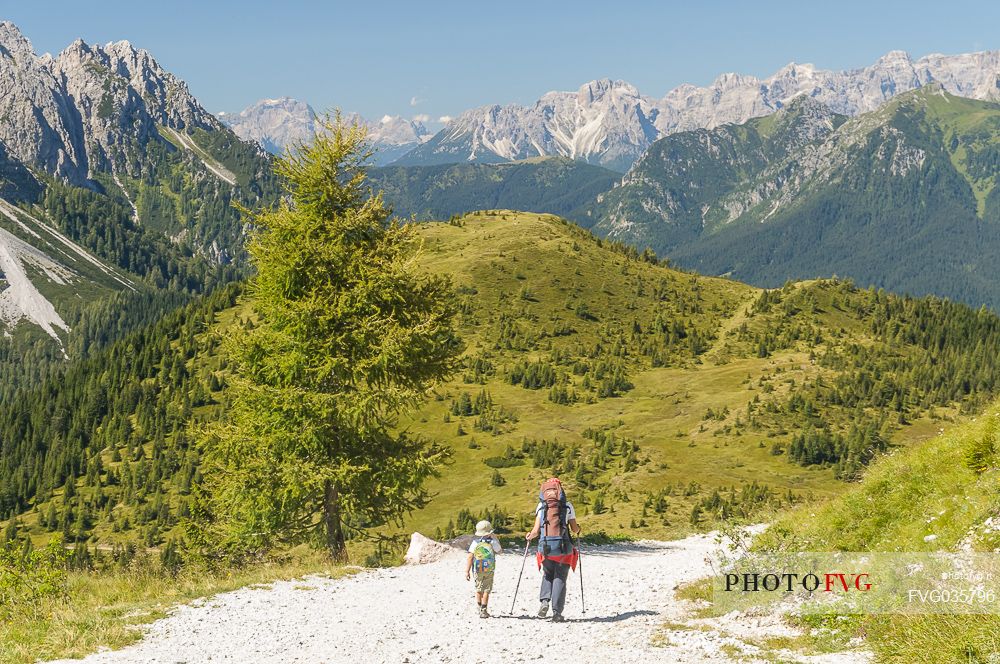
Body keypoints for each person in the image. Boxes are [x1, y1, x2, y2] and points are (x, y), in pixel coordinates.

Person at [525, 477, 581, 622]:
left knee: (547, 574)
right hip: (563, 548)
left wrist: (529, 536)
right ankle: (557, 612)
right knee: (560, 577)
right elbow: (574, 529)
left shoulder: (541, 506)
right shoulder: (567, 506)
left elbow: (536, 531)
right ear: (560, 490)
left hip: (546, 548)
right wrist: (579, 529)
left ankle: (544, 601)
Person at [465, 519, 503, 618]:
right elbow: (500, 551)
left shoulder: (475, 543)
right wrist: (495, 539)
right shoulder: (493, 542)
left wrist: (467, 571)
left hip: (477, 569)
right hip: (489, 569)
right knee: (486, 589)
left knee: (478, 588)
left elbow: (470, 557)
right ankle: (484, 610)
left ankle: (478, 607)